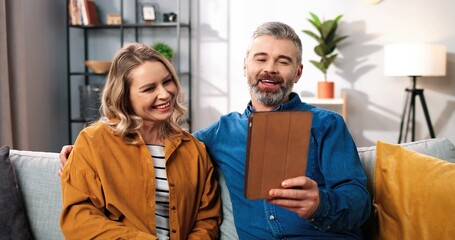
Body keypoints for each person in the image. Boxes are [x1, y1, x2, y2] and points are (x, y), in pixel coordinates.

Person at [61, 22, 371, 239]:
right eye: (261, 58)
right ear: (245, 66)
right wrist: (77, 161)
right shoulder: (215, 136)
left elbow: (360, 203)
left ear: (298, 72)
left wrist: (321, 204)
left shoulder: (328, 125)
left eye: (283, 61)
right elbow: (162, 155)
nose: (270, 69)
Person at [59, 43, 221, 239]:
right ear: (124, 97)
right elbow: (78, 220)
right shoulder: (93, 142)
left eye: (167, 81)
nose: (164, 94)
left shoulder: (194, 150)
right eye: (149, 89)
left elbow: (207, 219)